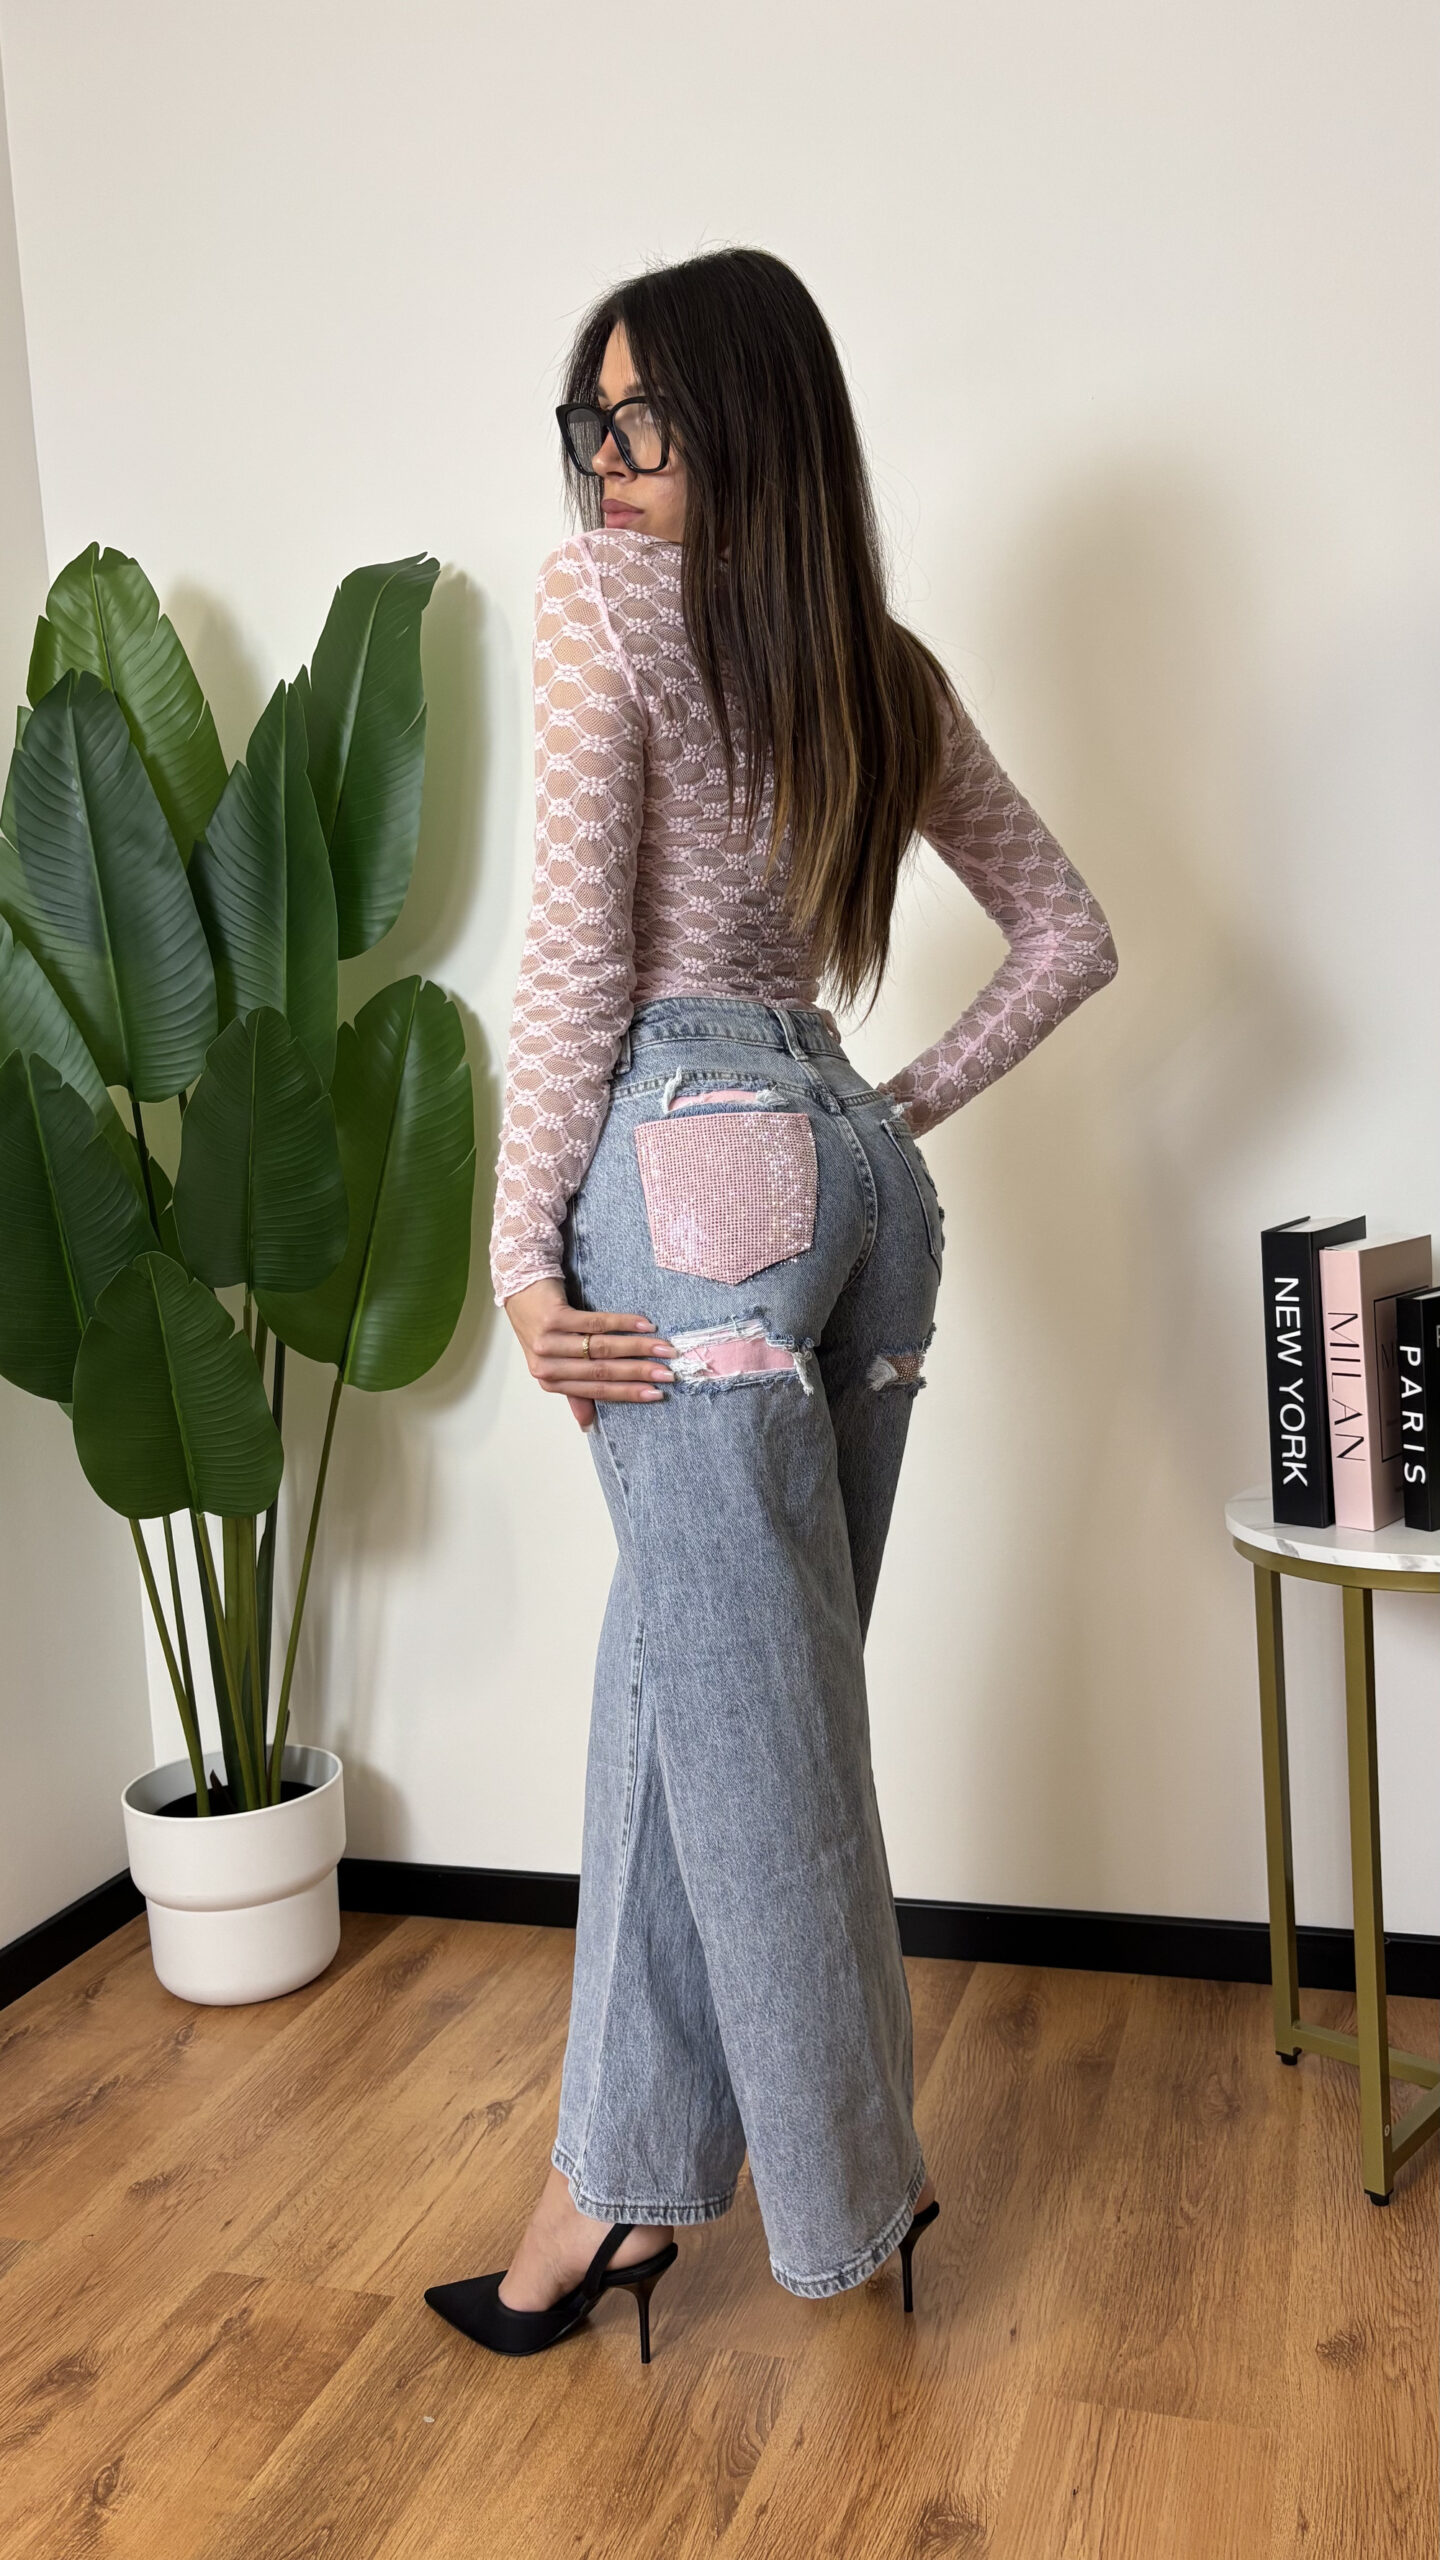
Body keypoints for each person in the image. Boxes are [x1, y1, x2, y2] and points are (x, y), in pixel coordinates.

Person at [425, 247, 1118, 2365]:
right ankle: (613, 2186)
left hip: (686, 1184)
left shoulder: (600, 603)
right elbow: (1067, 933)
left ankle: (842, 2194)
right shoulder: (873, 664)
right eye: (590, 422)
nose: (607, 463)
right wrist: (878, 1111)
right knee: (698, 1687)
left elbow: (573, 966)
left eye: (644, 417)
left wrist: (518, 1257)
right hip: (856, 1201)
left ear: (749, 418)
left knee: (748, 1728)